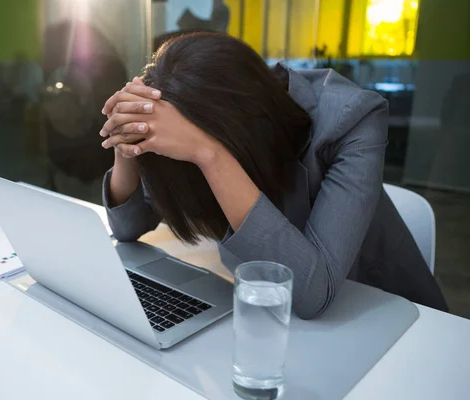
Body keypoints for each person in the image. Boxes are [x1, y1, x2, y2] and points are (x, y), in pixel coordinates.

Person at [98, 33, 448, 319]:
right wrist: (126, 139)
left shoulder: (353, 119)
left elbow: (311, 293)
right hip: (270, 314)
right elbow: (127, 228)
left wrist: (209, 154)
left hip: (389, 318)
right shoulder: (187, 111)